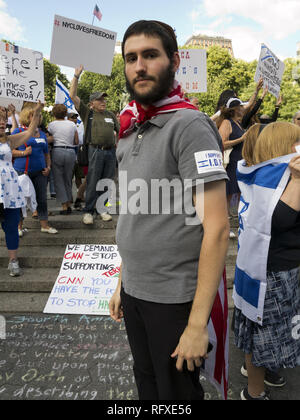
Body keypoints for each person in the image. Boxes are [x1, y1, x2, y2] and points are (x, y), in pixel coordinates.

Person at [109, 20, 230, 400]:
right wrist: (121, 282)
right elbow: (136, 211)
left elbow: (217, 228)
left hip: (174, 298)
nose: (139, 66)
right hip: (135, 290)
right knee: (146, 381)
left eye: (150, 55)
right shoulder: (129, 129)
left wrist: (197, 324)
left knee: (176, 393)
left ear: (174, 60)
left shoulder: (190, 125)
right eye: (131, 58)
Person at [233, 122, 300, 400]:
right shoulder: (285, 180)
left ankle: (262, 370)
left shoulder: (261, 176)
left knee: (260, 333)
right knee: (263, 336)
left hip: (260, 270)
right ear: (285, 148)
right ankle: (255, 392)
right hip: (272, 275)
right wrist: (297, 181)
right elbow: (280, 218)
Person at [70, 73, 120, 225]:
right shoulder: (88, 113)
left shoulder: (111, 114)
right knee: (92, 181)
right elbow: (72, 95)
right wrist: (76, 76)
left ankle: (102, 209)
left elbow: (121, 131)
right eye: (99, 99)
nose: (103, 101)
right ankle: (88, 211)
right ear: (92, 103)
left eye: (104, 99)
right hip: (95, 151)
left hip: (111, 151)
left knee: (106, 182)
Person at [0, 102, 43, 276]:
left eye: (3, 119)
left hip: (9, 189)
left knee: (11, 226)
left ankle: (13, 261)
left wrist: (38, 112)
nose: (2, 122)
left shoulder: (9, 140)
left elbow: (30, 132)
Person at [12, 106, 58, 234]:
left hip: (40, 172)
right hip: (22, 172)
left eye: (38, 116)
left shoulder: (42, 133)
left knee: (41, 198)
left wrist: (48, 167)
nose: (37, 118)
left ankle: (44, 225)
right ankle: (18, 227)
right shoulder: (17, 131)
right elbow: (10, 151)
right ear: (27, 117)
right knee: (20, 199)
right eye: (34, 116)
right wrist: (23, 153)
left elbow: (46, 153)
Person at [216, 98, 246, 237]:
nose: (243, 109)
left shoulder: (237, 123)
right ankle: (225, 227)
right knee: (228, 195)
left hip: (240, 162)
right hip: (231, 162)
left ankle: (239, 224)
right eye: (241, 106)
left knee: (239, 193)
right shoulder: (227, 123)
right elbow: (222, 143)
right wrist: (241, 139)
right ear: (235, 109)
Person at [47, 105, 78, 215]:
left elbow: (48, 138)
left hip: (57, 151)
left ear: (54, 114)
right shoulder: (72, 124)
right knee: (68, 178)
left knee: (58, 179)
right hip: (70, 151)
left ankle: (65, 205)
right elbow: (76, 141)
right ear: (65, 114)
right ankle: (69, 202)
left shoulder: (51, 125)